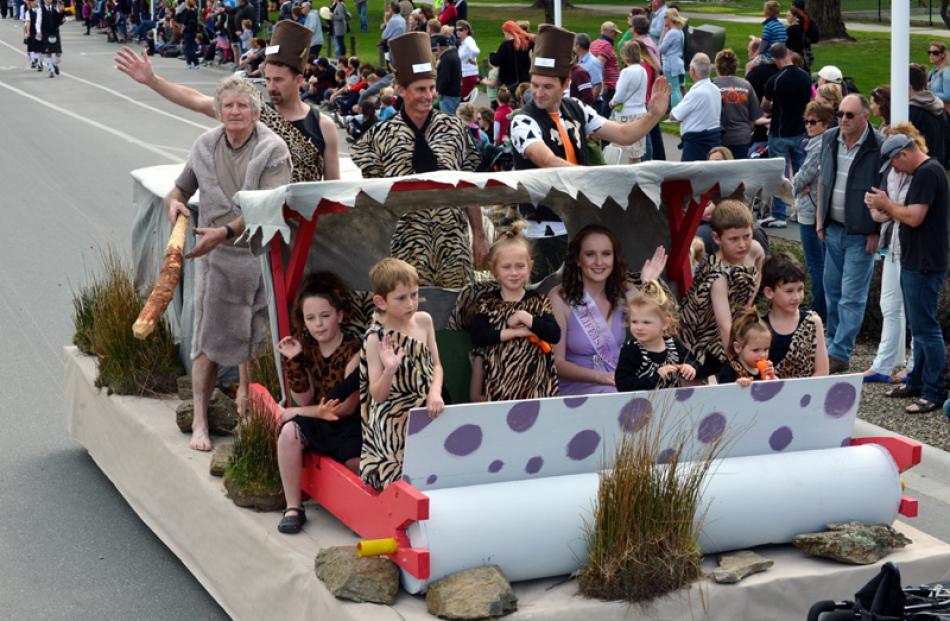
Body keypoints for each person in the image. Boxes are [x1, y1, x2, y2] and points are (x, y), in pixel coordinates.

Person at [165, 76, 292, 451]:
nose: (235, 112)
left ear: (255, 110)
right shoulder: (204, 145)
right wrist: (173, 203)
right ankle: (201, 421)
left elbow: (269, 206)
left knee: (256, 342)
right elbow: (181, 188)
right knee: (205, 341)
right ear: (219, 111)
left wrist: (225, 231)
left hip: (259, 256)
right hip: (213, 257)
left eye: (242, 105)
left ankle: (252, 417)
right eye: (229, 106)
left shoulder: (273, 149)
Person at [508, 25, 670, 279]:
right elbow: (548, 161)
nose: (538, 93)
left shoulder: (576, 109)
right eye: (535, 85)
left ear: (565, 84)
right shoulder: (522, 121)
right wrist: (597, 180)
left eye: (547, 86)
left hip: (582, 223)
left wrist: (654, 115)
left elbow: (623, 134)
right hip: (543, 230)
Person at [116, 20, 340, 190]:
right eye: (268, 79)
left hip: (307, 228)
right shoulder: (252, 112)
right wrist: (153, 81)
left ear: (299, 80)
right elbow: (197, 100)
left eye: (279, 80)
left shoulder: (323, 125)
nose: (271, 87)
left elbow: (333, 189)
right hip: (254, 224)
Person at [350, 31, 486, 288]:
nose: (428, 95)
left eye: (432, 88)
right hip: (404, 247)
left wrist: (479, 235)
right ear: (400, 90)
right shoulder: (379, 137)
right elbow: (373, 201)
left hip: (453, 244)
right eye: (420, 89)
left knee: (455, 313)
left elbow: (469, 188)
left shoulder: (455, 130)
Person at [866, 133, 949, 414]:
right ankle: (917, 382)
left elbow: (914, 217)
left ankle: (934, 391)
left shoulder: (927, 173)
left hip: (925, 262)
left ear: (904, 153)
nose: (894, 170)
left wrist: (887, 206)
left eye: (894, 163)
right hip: (918, 259)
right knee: (920, 327)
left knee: (926, 329)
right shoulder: (928, 171)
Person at [275, 272, 361, 535]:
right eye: (310, 318)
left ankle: (360, 510)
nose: (319, 324)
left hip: (349, 424)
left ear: (339, 315)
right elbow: (304, 395)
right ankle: (293, 506)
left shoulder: (354, 350)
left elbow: (343, 408)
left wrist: (295, 411)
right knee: (289, 433)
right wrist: (295, 361)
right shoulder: (308, 348)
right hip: (319, 420)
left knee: (355, 464)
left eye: (325, 316)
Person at [549, 225, 667, 396]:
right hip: (578, 391)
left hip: (617, 385)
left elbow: (661, 327)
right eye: (590, 254)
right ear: (578, 259)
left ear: (614, 258)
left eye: (606, 254)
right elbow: (556, 363)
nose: (599, 262)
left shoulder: (626, 292)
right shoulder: (560, 297)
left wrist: (648, 284)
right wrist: (603, 377)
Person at [360, 258, 444, 490]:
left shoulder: (424, 321)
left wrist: (435, 393)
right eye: (401, 298)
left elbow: (437, 365)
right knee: (401, 478)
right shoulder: (375, 337)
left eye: (415, 295)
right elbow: (377, 395)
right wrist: (390, 370)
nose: (411, 303)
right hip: (393, 420)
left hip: (427, 409)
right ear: (381, 301)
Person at [816, 93, 883, 374]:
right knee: (831, 290)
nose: (842, 119)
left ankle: (840, 352)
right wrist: (820, 221)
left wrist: (876, 230)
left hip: (861, 234)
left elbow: (884, 189)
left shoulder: (878, 146)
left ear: (865, 116)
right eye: (840, 114)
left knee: (851, 297)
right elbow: (823, 178)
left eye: (849, 115)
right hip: (833, 228)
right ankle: (830, 345)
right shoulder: (830, 138)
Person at [468, 223, 561, 401]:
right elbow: (478, 336)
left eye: (520, 266)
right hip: (499, 384)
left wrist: (526, 318)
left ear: (530, 266)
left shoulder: (539, 301)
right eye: (506, 267)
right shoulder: (487, 302)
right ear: (494, 269)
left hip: (537, 385)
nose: (514, 273)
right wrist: (516, 332)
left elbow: (554, 334)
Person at [862, 123, 923, 385]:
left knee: (914, 310)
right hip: (892, 245)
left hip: (911, 248)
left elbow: (909, 213)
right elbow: (882, 214)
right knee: (889, 304)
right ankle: (883, 364)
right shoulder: (892, 174)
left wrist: (886, 207)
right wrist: (881, 208)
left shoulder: (921, 175)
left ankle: (913, 365)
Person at [680, 200, 765, 379]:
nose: (742, 244)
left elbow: (758, 267)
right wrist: (737, 363)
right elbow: (723, 324)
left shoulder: (754, 250)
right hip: (698, 336)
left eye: (747, 236)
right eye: (734, 239)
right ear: (717, 238)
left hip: (730, 324)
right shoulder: (717, 274)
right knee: (690, 380)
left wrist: (748, 304)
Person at [760, 43, 811, 228]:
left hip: (780, 132)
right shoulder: (805, 77)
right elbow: (809, 101)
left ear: (774, 59)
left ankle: (780, 214)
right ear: (789, 53)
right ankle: (800, 210)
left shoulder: (775, 80)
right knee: (801, 173)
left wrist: (774, 106)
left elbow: (764, 106)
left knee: (778, 174)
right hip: (800, 130)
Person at [791, 100, 834, 322]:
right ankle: (822, 308)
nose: (808, 125)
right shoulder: (822, 142)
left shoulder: (819, 145)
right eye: (806, 121)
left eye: (813, 122)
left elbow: (802, 176)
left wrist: (796, 186)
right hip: (814, 205)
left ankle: (819, 310)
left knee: (816, 264)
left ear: (825, 124)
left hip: (810, 209)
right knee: (822, 263)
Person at [615, 280, 697, 392]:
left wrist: (690, 368)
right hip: (642, 406)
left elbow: (692, 360)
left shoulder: (674, 344)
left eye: (646, 322)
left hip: (675, 405)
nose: (639, 327)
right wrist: (656, 377)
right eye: (634, 322)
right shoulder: (630, 350)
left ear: (664, 323)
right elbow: (623, 385)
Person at [760, 253, 828, 378]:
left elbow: (822, 372)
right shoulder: (759, 327)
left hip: (806, 393)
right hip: (768, 394)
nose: (796, 297)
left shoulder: (813, 322)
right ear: (769, 292)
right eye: (789, 291)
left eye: (800, 289)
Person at [669, 52, 721, 162]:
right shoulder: (715, 89)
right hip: (714, 140)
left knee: (692, 176)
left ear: (692, 70)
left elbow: (674, 115)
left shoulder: (696, 93)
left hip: (697, 144)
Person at [714, 48, 763, 160]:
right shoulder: (746, 85)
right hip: (742, 137)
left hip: (720, 137)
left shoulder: (713, 86)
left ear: (718, 67)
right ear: (735, 66)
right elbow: (755, 115)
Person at [610, 40, 649, 163]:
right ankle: (636, 179)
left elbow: (620, 95)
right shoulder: (643, 70)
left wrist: (612, 102)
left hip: (626, 113)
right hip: (641, 112)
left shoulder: (626, 72)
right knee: (635, 153)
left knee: (619, 149)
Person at [716, 310, 776, 386]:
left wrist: (772, 378)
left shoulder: (765, 370)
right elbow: (723, 393)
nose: (762, 355)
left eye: (766, 349)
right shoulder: (729, 370)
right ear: (738, 347)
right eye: (755, 350)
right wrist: (737, 385)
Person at [908, 63, 950, 169]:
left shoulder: (911, 112)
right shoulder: (939, 106)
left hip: (921, 169)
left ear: (908, 85)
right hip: (939, 166)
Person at [491, 20, 532, 92]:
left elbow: (496, 61)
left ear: (507, 32)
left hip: (509, 80)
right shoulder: (525, 43)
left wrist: (492, 55)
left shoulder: (505, 45)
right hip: (524, 78)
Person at [590, 21, 621, 116]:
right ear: (610, 32)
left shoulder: (594, 43)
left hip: (596, 83)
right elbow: (599, 64)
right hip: (609, 85)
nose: (615, 36)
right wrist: (603, 83)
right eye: (615, 33)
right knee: (605, 114)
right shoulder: (606, 45)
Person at [658, 8, 685, 109]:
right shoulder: (679, 31)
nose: (664, 19)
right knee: (678, 89)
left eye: (665, 16)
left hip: (670, 64)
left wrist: (663, 33)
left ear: (670, 18)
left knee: (673, 90)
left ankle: (676, 113)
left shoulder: (672, 33)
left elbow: (660, 49)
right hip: (678, 63)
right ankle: (681, 111)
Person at [433, 34, 461, 115]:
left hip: (448, 94)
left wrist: (440, 92)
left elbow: (445, 77)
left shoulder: (446, 58)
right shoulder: (454, 54)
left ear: (439, 46)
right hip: (455, 93)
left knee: (447, 118)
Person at [574, 33, 603, 104]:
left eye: (573, 44)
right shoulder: (579, 60)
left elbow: (598, 85)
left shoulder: (593, 63)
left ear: (578, 46)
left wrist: (587, 105)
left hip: (592, 105)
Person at [39, 0, 64, 77]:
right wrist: (38, 31)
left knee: (58, 53)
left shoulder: (55, 10)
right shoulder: (40, 10)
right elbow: (38, 22)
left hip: (55, 33)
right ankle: (51, 70)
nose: (49, 0)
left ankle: (54, 63)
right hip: (46, 33)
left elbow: (59, 21)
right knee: (48, 53)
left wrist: (61, 13)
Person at [456, 20, 479, 101]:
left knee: (462, 99)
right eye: (457, 30)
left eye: (461, 29)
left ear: (466, 30)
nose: (458, 32)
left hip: (469, 75)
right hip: (465, 74)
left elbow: (476, 51)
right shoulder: (463, 41)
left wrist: (471, 59)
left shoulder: (469, 40)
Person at [927, 41, 950, 111]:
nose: (931, 55)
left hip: (944, 113)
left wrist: (928, 93)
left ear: (943, 55)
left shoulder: (947, 71)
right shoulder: (932, 72)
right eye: (929, 52)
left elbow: (948, 96)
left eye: (935, 53)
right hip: (935, 110)